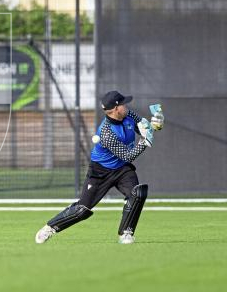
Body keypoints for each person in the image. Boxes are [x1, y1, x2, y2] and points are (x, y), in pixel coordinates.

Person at [34, 90, 164, 245]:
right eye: (123, 104)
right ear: (116, 109)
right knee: (82, 210)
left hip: (122, 169)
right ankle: (50, 228)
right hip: (100, 172)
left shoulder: (128, 115)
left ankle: (126, 234)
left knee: (137, 193)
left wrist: (155, 124)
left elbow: (143, 127)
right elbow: (129, 156)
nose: (126, 105)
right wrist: (144, 142)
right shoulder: (106, 132)